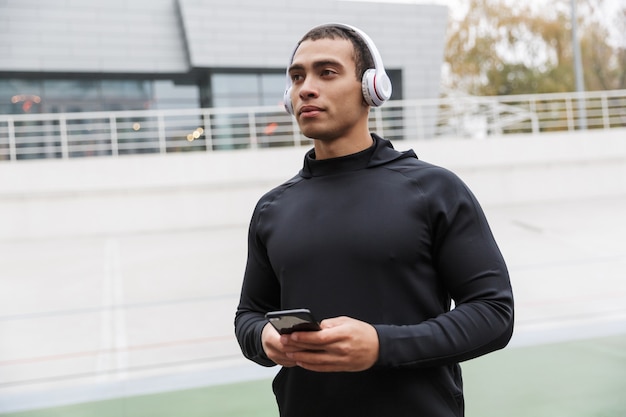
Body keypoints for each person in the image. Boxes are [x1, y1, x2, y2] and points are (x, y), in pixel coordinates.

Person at [234, 23, 514, 417]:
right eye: (297, 77)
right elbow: (248, 314)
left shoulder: (434, 189)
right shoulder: (272, 208)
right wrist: (264, 338)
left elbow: (493, 313)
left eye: (326, 73)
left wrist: (382, 346)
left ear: (372, 88)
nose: (306, 88)